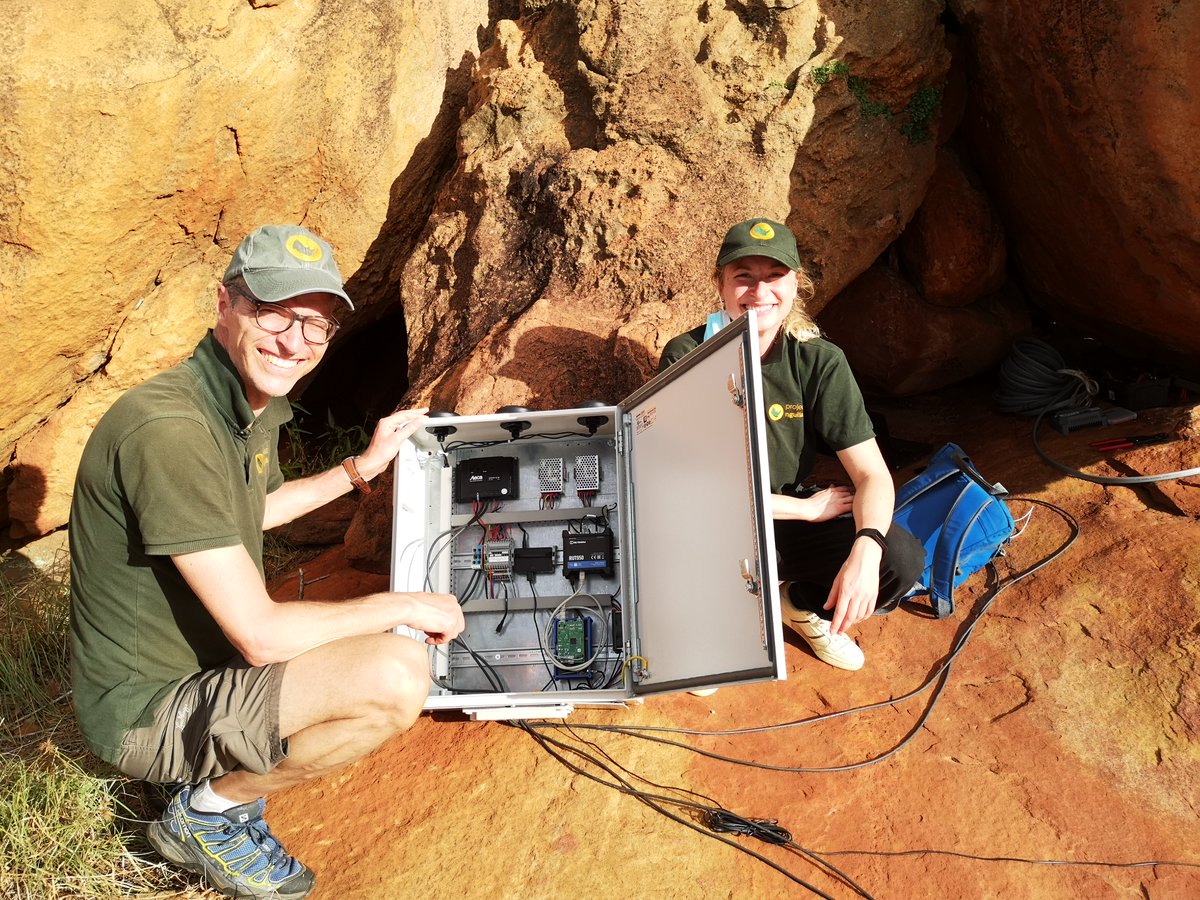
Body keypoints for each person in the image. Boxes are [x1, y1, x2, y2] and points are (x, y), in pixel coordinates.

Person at [69, 224, 464, 900]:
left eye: (317, 326)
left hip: (200, 667)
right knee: (398, 672)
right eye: (276, 312)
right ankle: (207, 814)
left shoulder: (245, 407)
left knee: (366, 642)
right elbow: (261, 635)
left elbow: (253, 510)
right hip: (148, 710)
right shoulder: (172, 430)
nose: (295, 342)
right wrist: (404, 605)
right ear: (226, 304)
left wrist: (358, 468)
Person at [659, 218, 924, 672]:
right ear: (720, 284)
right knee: (698, 650)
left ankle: (798, 603)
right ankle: (727, 614)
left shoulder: (818, 359)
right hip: (717, 523)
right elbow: (687, 488)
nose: (759, 292)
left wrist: (867, 547)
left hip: (784, 523)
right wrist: (803, 509)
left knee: (898, 558)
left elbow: (872, 475)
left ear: (795, 284)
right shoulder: (687, 357)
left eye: (774, 276)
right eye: (743, 275)